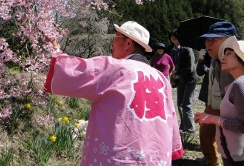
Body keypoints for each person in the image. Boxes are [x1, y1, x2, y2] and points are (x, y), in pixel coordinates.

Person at [44, 21, 183, 165]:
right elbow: (171, 117)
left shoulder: (113, 68)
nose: (112, 44)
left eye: (116, 38)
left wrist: (55, 49)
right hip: (155, 158)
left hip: (117, 158)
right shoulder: (161, 78)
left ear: (128, 43)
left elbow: (73, 73)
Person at [194, 36, 244, 166]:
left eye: (228, 54)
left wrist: (213, 119)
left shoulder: (240, 84)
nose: (223, 57)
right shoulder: (236, 84)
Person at [169, 29, 197, 134]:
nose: (173, 37)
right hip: (180, 79)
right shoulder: (173, 50)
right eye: (171, 36)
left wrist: (178, 72)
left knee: (186, 103)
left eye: (175, 35)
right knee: (179, 103)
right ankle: (183, 126)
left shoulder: (187, 49)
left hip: (190, 79)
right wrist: (174, 73)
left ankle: (190, 128)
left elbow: (190, 68)